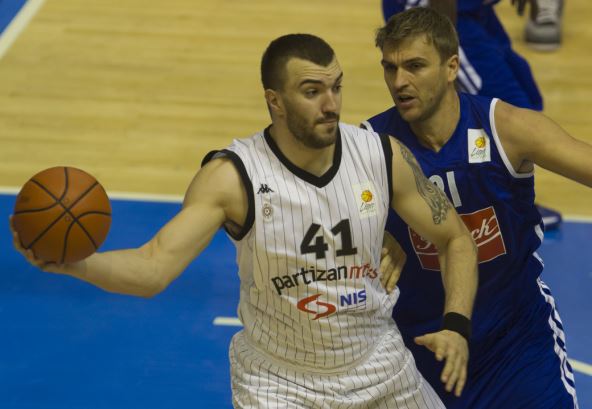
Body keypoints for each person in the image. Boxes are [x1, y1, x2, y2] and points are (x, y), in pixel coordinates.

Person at [11, 34, 479, 408]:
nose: (331, 105)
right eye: (312, 92)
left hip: (379, 367)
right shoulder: (231, 178)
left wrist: (457, 324)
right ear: (275, 101)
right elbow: (153, 268)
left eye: (336, 87)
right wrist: (75, 264)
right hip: (280, 384)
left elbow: (455, 238)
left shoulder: (380, 154)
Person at [362, 7, 588, 408]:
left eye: (415, 66)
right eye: (390, 68)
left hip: (516, 346)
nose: (399, 82)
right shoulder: (370, 146)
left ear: (452, 67)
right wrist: (374, 233)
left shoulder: (506, 128)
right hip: (420, 352)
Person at [381, 0, 563, 228]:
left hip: (474, 11)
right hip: (442, 13)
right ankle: (489, 205)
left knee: (523, 98)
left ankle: (498, 201)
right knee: (500, 112)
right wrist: (445, 39)